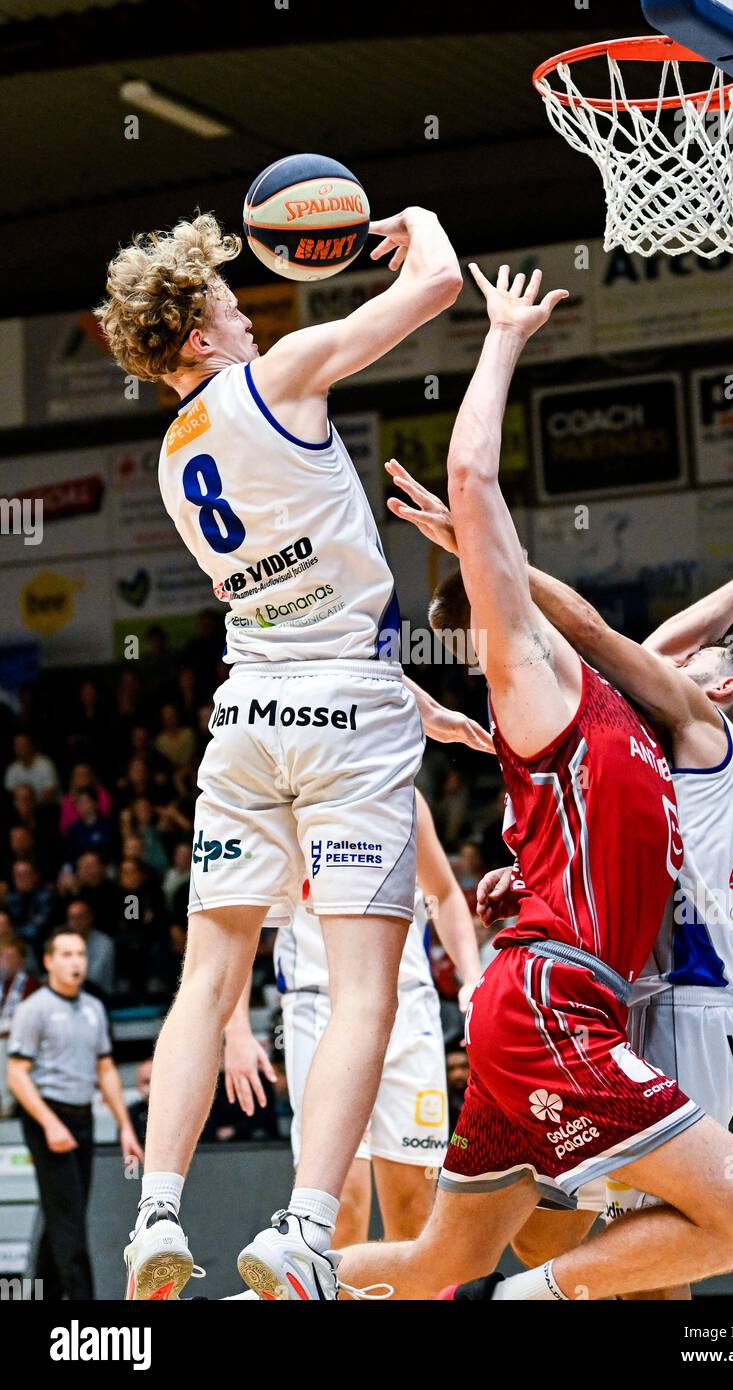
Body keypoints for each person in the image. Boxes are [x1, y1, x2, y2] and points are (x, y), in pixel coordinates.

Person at [330, 265, 733, 1302]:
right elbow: (477, 488)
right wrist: (500, 337)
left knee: (439, 1259)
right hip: (554, 996)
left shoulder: (623, 718)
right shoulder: (535, 689)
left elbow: (611, 632)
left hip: (544, 988)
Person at [96, 206, 490, 1301]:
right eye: (230, 307)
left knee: (204, 977)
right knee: (366, 984)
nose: (252, 320)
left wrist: (405, 693)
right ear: (196, 337)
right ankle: (306, 1227)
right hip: (342, 718)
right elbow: (437, 289)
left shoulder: (174, 455)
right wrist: (418, 224)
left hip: (250, 712)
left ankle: (156, 1213)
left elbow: (292, 608)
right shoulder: (284, 379)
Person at [224, 789, 482, 1259]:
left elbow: (442, 892)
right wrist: (237, 1028)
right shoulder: (280, 798)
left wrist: (472, 978)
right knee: (337, 1210)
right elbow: (243, 918)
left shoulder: (402, 791)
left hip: (408, 1007)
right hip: (319, 1008)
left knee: (415, 1211)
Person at [6, 929, 143, 1300]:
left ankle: (40, 1293)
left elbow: (106, 1069)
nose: (76, 962)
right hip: (46, 1116)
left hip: (81, 1116)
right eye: (65, 954)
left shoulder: (93, 1008)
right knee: (69, 1219)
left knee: (65, 1214)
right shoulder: (34, 1009)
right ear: (48, 961)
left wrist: (125, 1127)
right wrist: (50, 1124)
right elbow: (16, 1075)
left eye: (80, 953)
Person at [0, 937, 39, 1118]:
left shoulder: (30, 984)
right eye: (3, 957)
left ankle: (8, 1106)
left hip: (21, 1038)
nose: (6, 961)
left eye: (11, 957)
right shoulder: (2, 984)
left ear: (21, 960)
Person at [3, 732, 59, 803]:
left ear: (32, 746)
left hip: (47, 809)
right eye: (17, 745)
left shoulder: (45, 765)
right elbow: (10, 794)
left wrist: (31, 808)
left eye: (23, 745)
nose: (20, 749)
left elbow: (49, 794)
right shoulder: (12, 769)